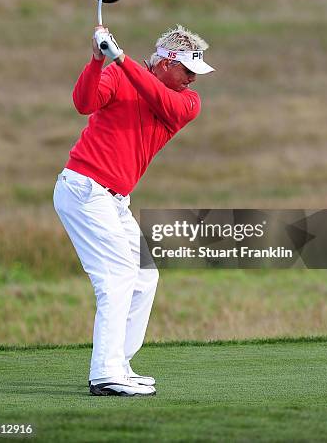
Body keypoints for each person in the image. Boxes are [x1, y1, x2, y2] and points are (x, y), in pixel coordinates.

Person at [53, 24, 214, 397]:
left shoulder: (186, 102)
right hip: (84, 190)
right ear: (165, 63)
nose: (192, 79)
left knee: (144, 277)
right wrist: (97, 61)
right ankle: (106, 373)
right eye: (187, 70)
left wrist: (122, 59)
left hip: (113, 199)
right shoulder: (118, 75)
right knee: (118, 277)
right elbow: (83, 103)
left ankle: (118, 363)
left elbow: (160, 99)